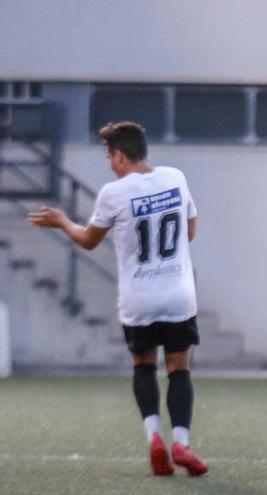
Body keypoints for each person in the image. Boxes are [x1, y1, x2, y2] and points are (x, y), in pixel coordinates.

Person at [28, 121, 207, 476]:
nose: (110, 164)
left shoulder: (113, 192)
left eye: (110, 156)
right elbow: (189, 231)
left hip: (139, 299)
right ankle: (182, 444)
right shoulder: (175, 177)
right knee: (179, 368)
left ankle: (155, 438)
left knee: (143, 364)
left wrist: (63, 221)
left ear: (121, 154)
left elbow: (88, 240)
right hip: (177, 295)